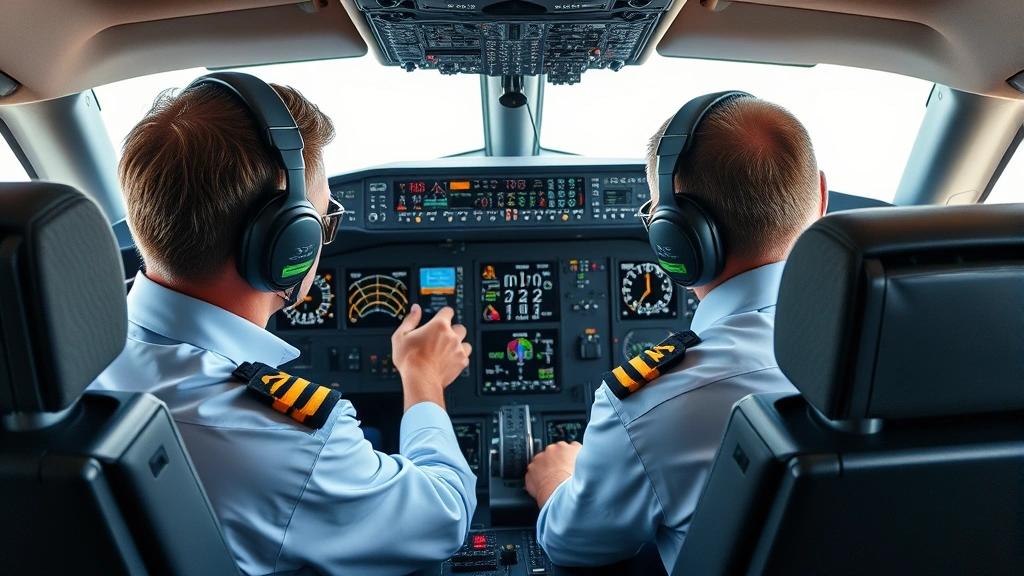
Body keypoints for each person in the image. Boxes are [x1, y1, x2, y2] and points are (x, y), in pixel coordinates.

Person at [90, 77, 477, 575]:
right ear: (288, 243)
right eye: (320, 223)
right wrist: (422, 374)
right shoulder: (285, 440)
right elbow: (445, 516)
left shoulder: (69, 357)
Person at [524, 93, 829, 570]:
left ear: (677, 239)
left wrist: (555, 479)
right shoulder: (919, 348)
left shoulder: (651, 407)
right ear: (822, 198)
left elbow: (572, 543)